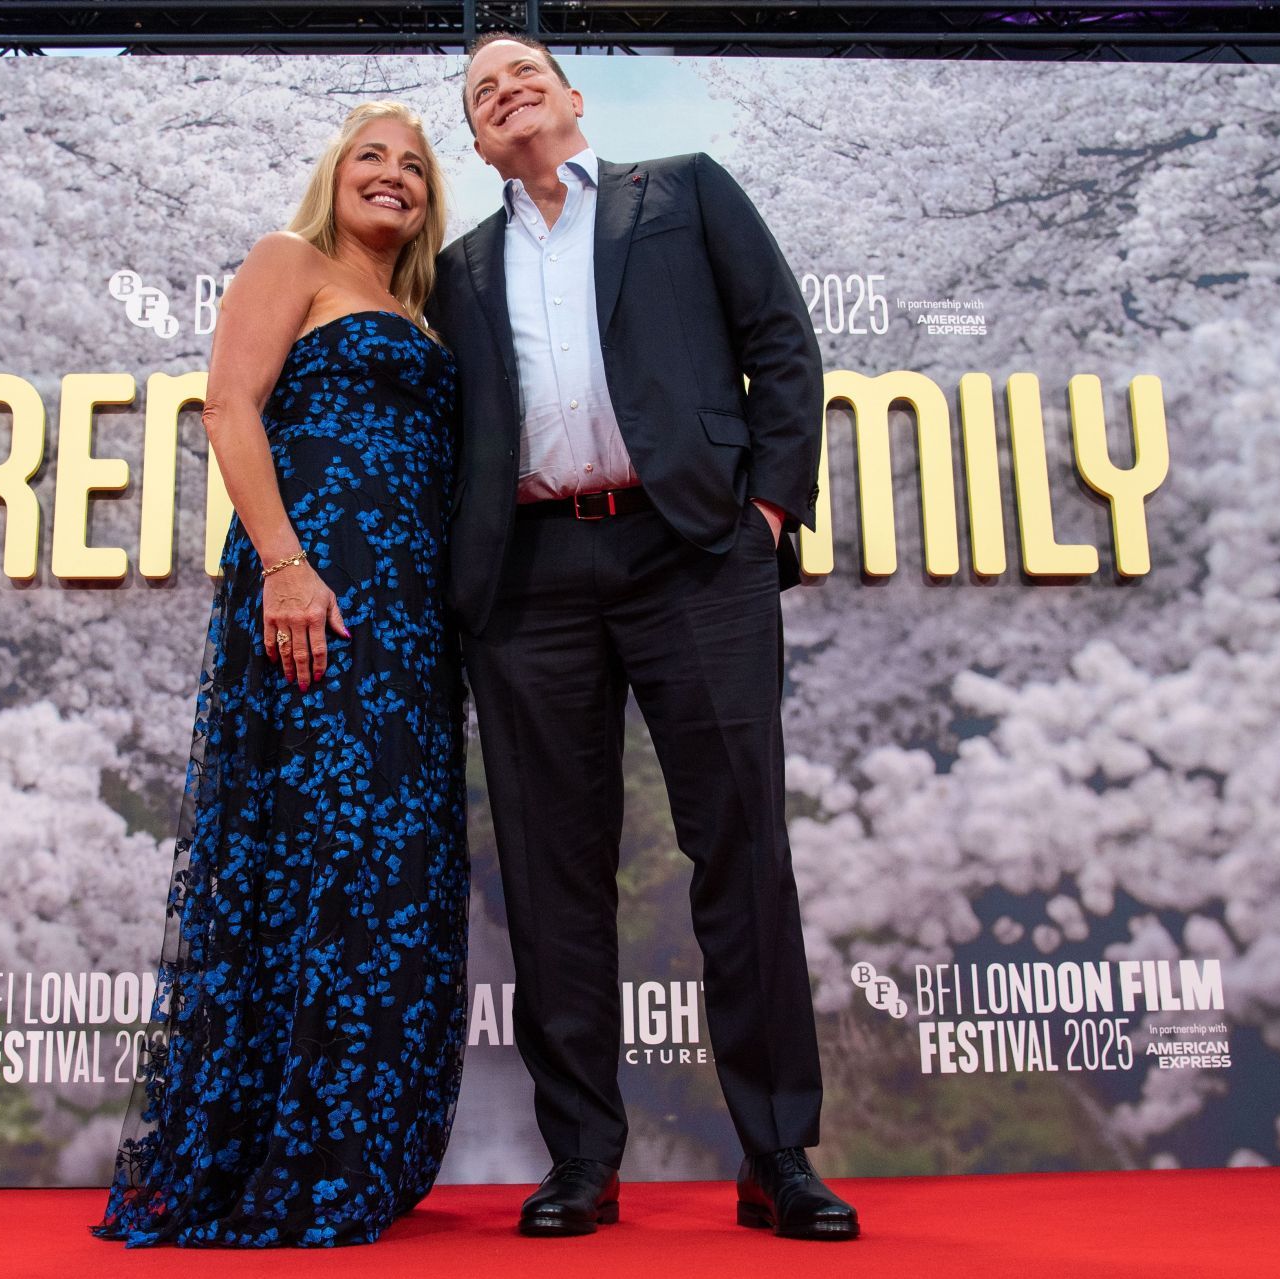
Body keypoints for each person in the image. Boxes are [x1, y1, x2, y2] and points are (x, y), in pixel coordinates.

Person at [425, 35, 860, 1242]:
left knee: (742, 850)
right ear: (474, 139)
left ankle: (780, 1153)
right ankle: (581, 1163)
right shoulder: (459, 271)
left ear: (570, 96)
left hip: (692, 557)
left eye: (522, 72)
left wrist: (762, 511)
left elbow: (782, 345)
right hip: (531, 581)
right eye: (479, 93)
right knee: (554, 879)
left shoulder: (685, 189)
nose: (504, 89)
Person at [93, 101, 467, 1249]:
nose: (393, 175)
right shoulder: (287, 260)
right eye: (372, 157)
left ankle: (362, 1150)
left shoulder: (424, 313)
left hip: (409, 628)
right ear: (334, 174)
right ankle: (285, 1149)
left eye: (413, 165)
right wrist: (288, 568)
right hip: (315, 604)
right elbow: (229, 404)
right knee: (313, 859)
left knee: (393, 878)